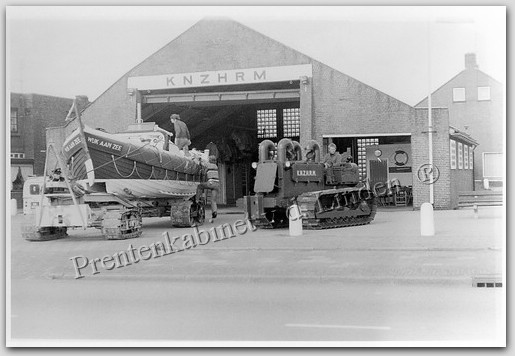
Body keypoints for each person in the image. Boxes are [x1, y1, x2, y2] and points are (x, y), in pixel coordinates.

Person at [197, 155, 220, 220]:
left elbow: (202, 165)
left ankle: (197, 200)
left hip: (211, 183)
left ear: (209, 160)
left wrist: (199, 159)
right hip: (217, 184)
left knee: (200, 186)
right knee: (213, 200)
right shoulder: (216, 166)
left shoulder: (208, 165)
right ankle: (214, 212)